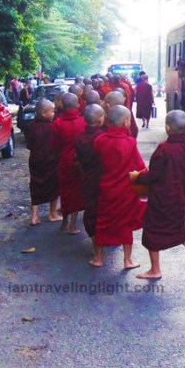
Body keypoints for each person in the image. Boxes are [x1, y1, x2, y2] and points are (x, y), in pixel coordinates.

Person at [129, 109, 185, 279]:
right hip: (180, 196)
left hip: (161, 198)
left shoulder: (163, 149)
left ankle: (155, 270)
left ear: (167, 128)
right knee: (178, 227)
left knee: (152, 230)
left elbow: (152, 175)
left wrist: (136, 176)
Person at [91, 105, 146, 269]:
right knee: (125, 224)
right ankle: (127, 260)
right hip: (125, 190)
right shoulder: (129, 142)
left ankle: (98, 258)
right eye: (129, 119)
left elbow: (97, 162)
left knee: (102, 222)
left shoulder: (99, 140)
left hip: (106, 188)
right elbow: (140, 166)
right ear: (125, 122)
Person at [51, 93, 85, 235]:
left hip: (64, 161)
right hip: (79, 163)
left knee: (65, 192)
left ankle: (64, 222)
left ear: (62, 106)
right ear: (77, 105)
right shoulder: (83, 122)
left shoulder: (57, 123)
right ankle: (72, 225)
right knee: (76, 193)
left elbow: (54, 146)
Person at [75, 104, 105, 261]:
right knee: (104, 212)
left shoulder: (79, 138)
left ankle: (96, 246)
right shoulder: (103, 138)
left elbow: (77, 161)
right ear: (101, 120)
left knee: (91, 212)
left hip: (87, 179)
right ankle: (104, 244)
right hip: (103, 181)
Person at [26, 99, 62, 225]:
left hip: (35, 160)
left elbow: (29, 144)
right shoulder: (52, 127)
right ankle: (52, 213)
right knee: (54, 186)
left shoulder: (31, 125)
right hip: (51, 161)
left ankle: (34, 216)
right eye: (52, 111)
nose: (54, 113)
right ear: (43, 114)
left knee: (35, 186)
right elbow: (57, 144)